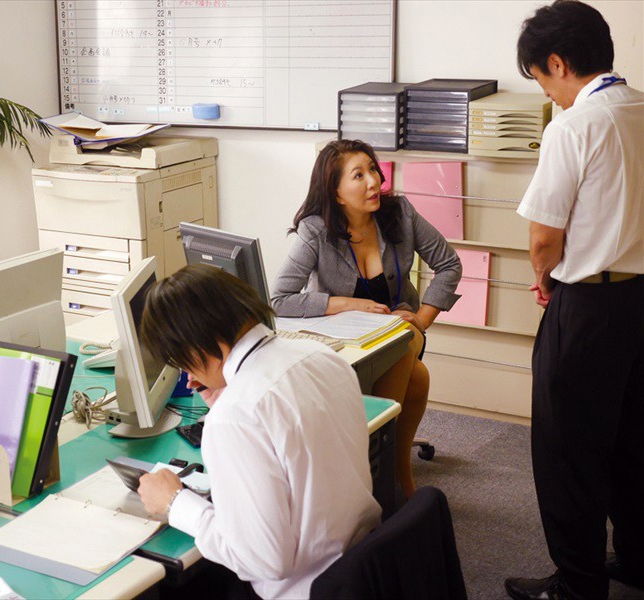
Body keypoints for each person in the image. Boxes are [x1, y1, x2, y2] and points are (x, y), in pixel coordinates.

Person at [503, 2, 644, 600]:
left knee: (568, 452)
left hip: (588, 308)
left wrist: (544, 278)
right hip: (641, 301)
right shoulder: (641, 108)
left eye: (540, 78)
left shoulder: (574, 125)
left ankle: (578, 585)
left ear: (558, 63)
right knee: (634, 440)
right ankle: (637, 560)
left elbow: (544, 237)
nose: (547, 92)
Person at [136, 265, 381, 599]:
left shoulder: (236, 416)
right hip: (362, 570)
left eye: (183, 361)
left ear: (198, 345)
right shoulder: (323, 357)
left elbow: (264, 561)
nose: (188, 377)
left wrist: (175, 502)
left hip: (306, 589)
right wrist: (228, 393)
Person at [271, 139, 462, 498]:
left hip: (403, 330)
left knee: (402, 340)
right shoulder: (316, 230)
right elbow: (279, 299)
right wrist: (345, 304)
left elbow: (449, 264)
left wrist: (421, 319)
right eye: (358, 175)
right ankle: (395, 473)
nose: (374, 181)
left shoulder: (400, 214)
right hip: (345, 341)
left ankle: (382, 475)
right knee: (417, 379)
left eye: (373, 169)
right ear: (336, 192)